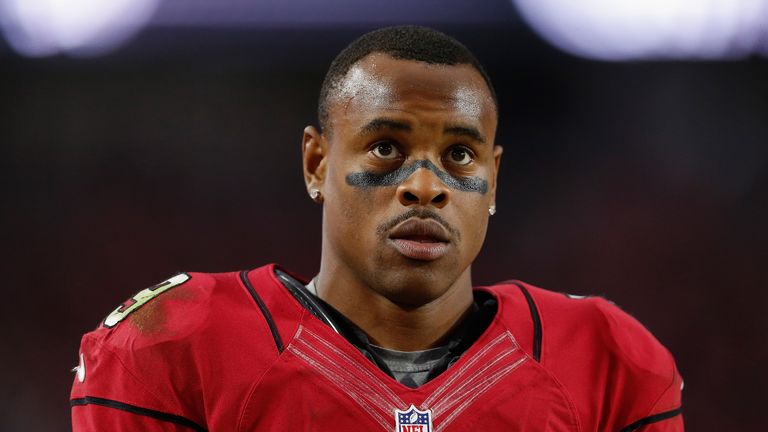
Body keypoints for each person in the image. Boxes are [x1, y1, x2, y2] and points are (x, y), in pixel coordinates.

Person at [70, 26, 683, 431]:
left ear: (493, 180)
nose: (424, 185)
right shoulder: (174, 346)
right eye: (386, 147)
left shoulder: (606, 359)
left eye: (461, 156)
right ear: (317, 163)